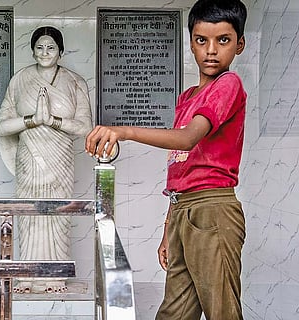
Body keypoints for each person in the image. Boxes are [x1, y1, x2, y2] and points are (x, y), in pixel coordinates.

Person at [85, 0, 247, 318]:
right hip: (184, 210)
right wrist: (168, 230)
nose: (211, 50)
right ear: (191, 43)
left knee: (221, 311)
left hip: (212, 210)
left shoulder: (229, 84)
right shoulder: (186, 98)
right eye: (202, 40)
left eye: (223, 40)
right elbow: (180, 168)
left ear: (239, 45)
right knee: (174, 312)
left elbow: (188, 139)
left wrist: (125, 131)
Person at [0, 26, 93, 293]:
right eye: (40, 47)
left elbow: (85, 127)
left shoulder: (75, 82)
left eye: (51, 47)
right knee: (30, 215)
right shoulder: (20, 80)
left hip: (60, 159)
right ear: (32, 51)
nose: (45, 52)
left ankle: (54, 277)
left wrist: (53, 121)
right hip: (30, 159)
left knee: (57, 216)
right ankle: (26, 276)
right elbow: (1, 126)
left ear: (60, 51)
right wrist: (32, 120)